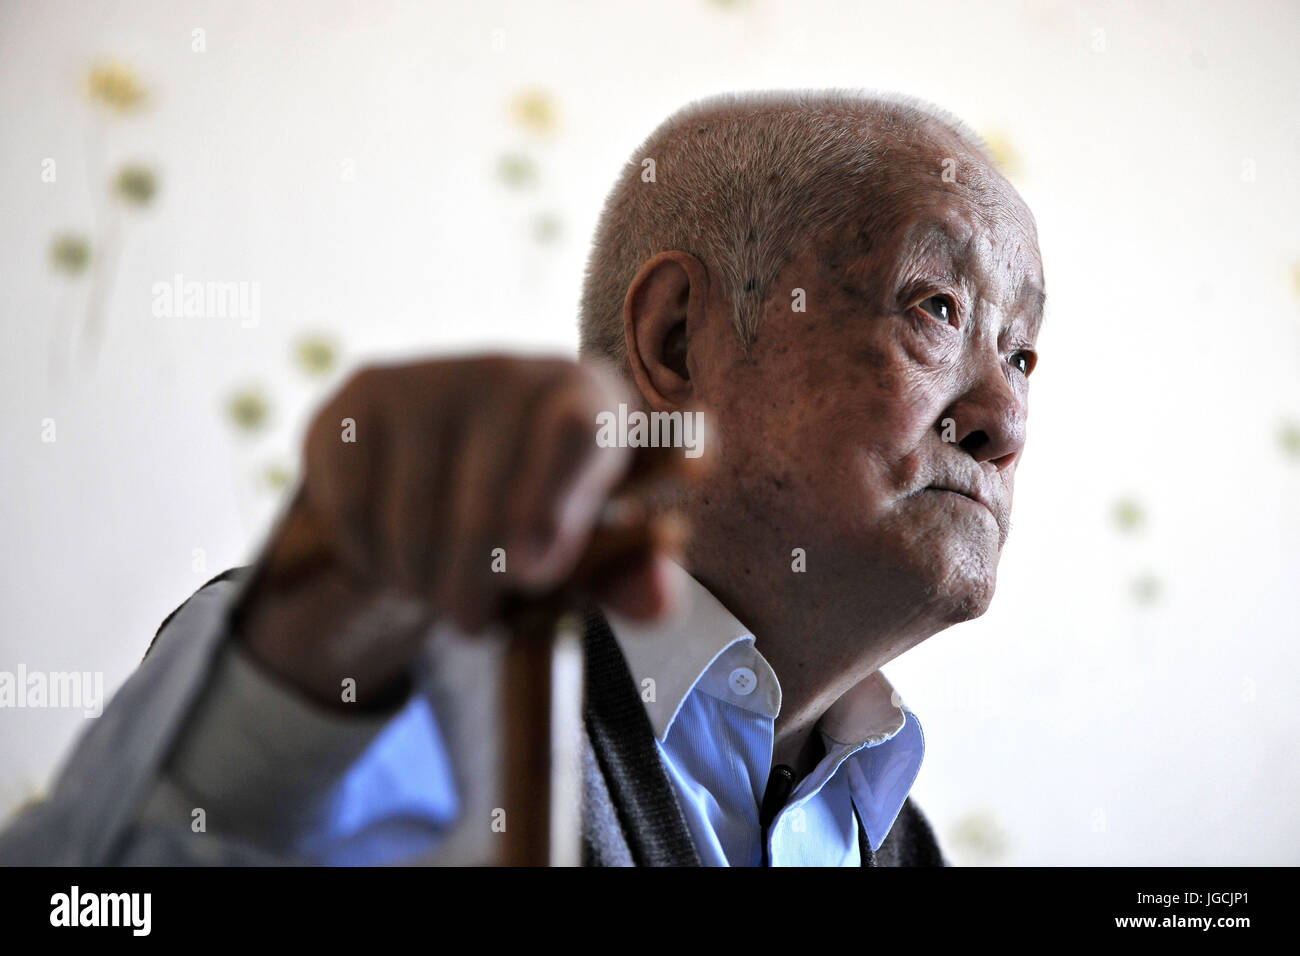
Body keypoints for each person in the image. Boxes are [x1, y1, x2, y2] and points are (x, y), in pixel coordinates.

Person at [0, 89, 1046, 866]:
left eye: (1022, 350)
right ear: (677, 338)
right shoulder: (371, 684)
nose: (1003, 417)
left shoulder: (895, 835)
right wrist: (278, 717)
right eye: (936, 307)